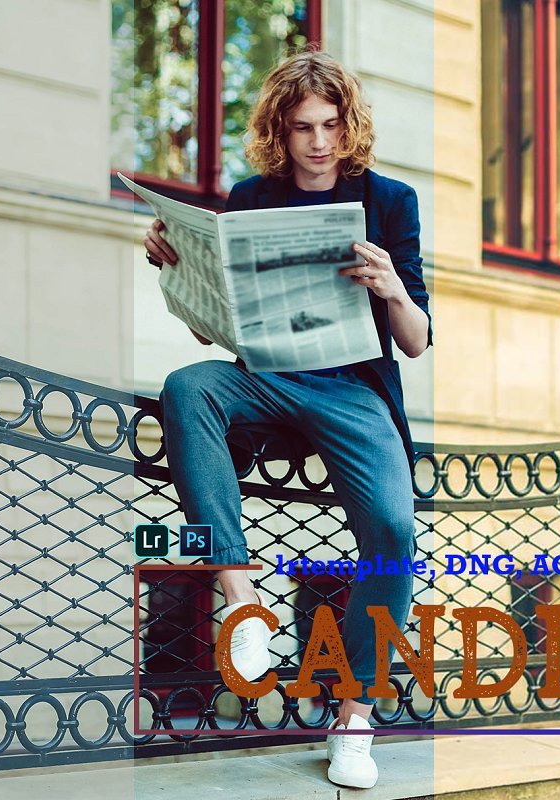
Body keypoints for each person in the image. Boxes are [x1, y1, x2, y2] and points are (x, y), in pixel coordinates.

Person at [143, 50, 431, 790]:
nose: (319, 141)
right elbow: (215, 329)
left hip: (352, 389)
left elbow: (415, 339)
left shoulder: (390, 200)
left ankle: (355, 719)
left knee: (393, 533)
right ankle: (241, 598)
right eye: (303, 127)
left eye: (331, 125)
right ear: (280, 129)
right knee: (187, 386)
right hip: (265, 376)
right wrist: (177, 267)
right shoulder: (251, 197)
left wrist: (393, 288)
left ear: (349, 125)